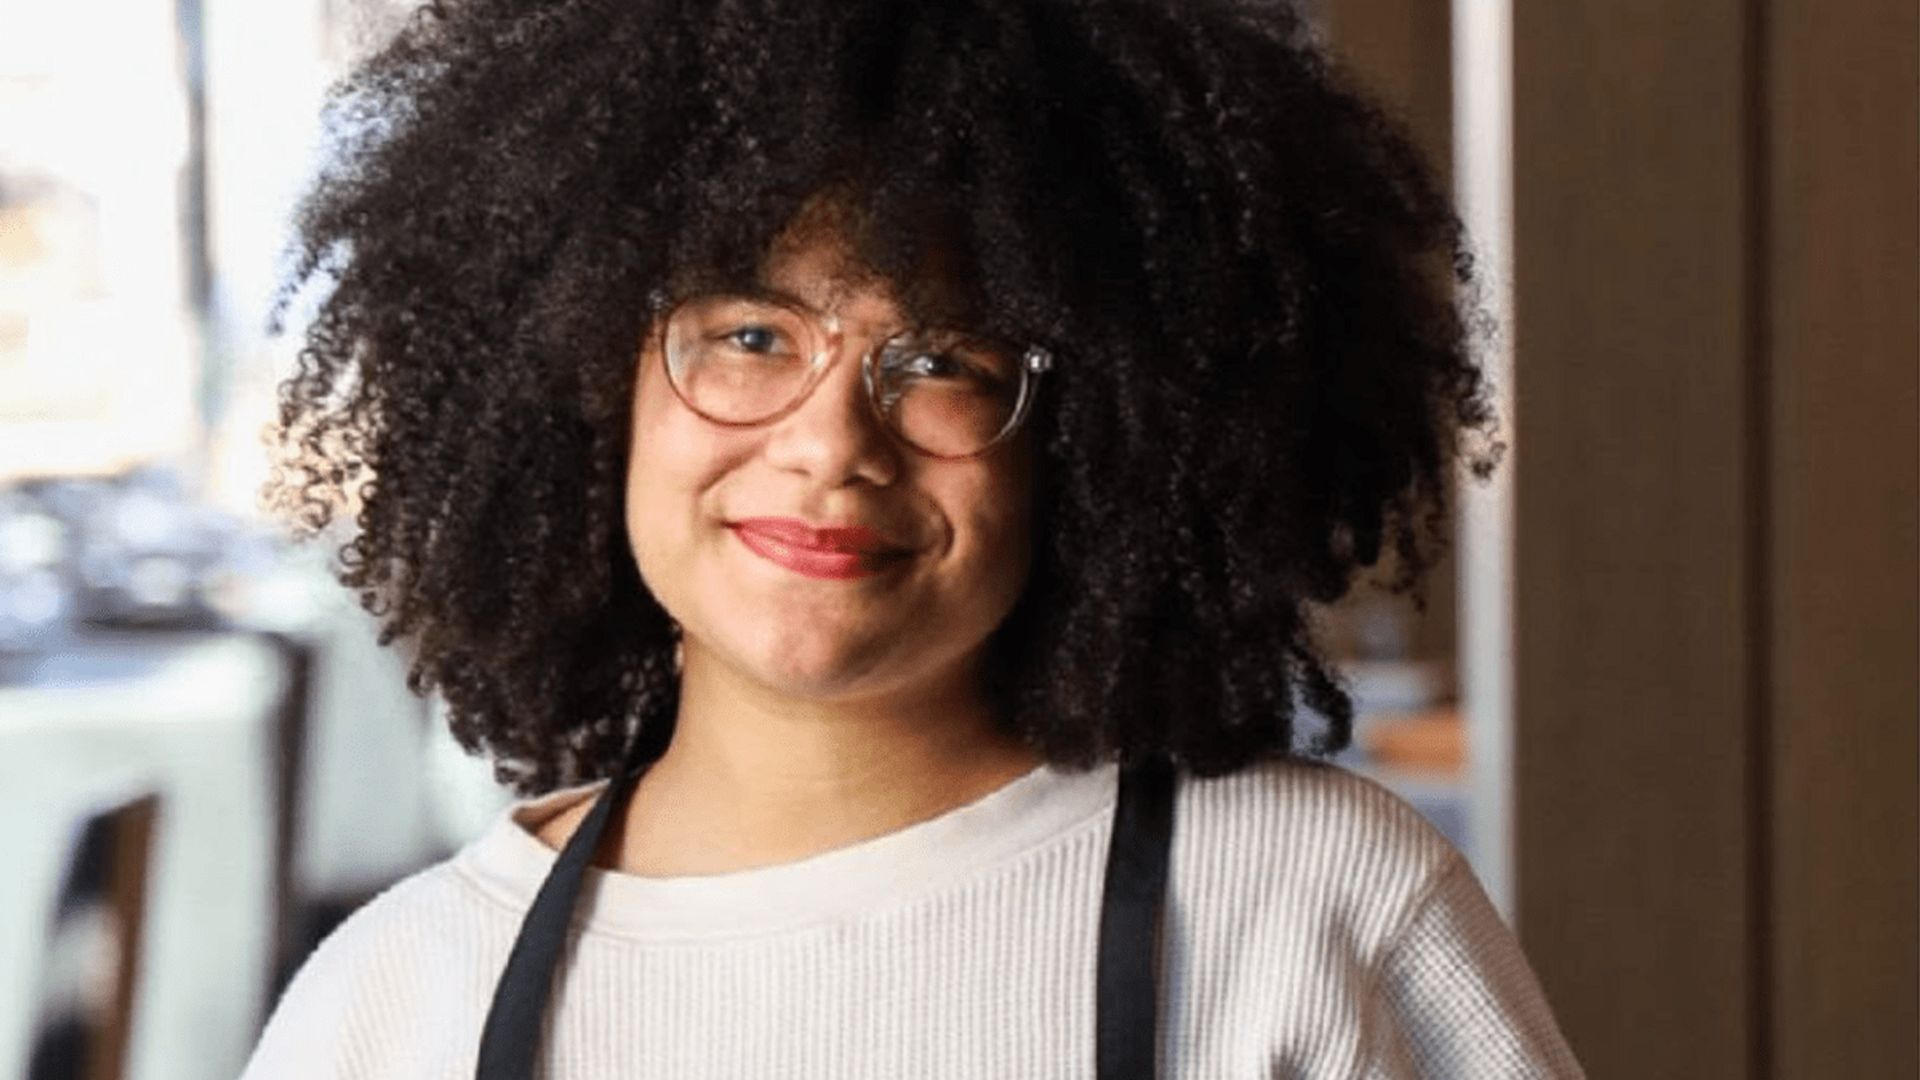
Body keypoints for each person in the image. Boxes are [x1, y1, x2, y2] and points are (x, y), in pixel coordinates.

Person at [244, 0, 1583, 1076]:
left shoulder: (1310, 910)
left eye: (943, 359)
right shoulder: (395, 1000)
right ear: (587, 380)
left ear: (1103, 444)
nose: (832, 442)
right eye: (753, 335)